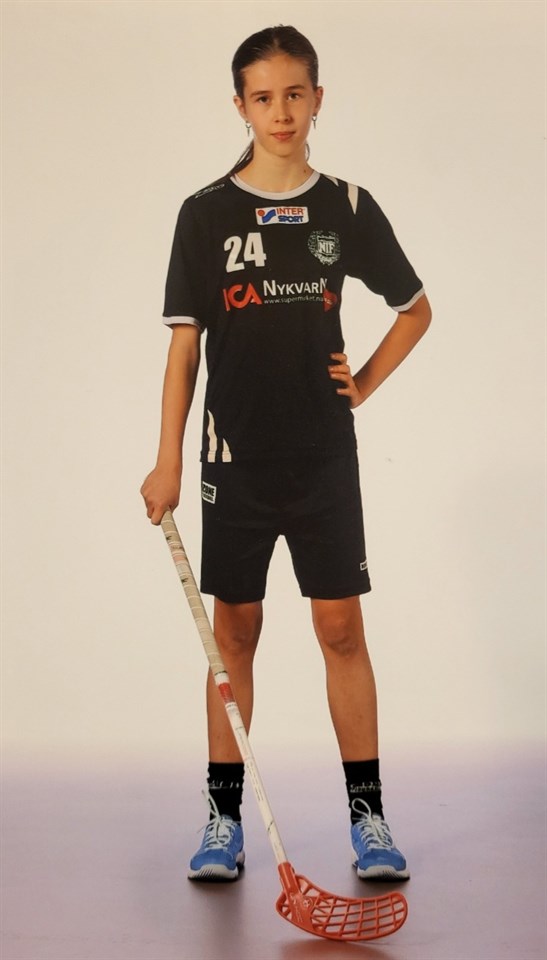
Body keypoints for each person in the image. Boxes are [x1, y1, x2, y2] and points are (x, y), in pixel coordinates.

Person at [141, 25, 431, 884]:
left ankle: (369, 818)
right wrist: (165, 461)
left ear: (316, 99)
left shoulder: (346, 206)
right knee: (235, 631)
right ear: (240, 105)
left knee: (339, 628)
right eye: (263, 97)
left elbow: (414, 309)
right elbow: (183, 352)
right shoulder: (204, 213)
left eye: (294, 94)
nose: (280, 112)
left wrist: (362, 382)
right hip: (232, 462)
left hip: (322, 459)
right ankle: (222, 820)